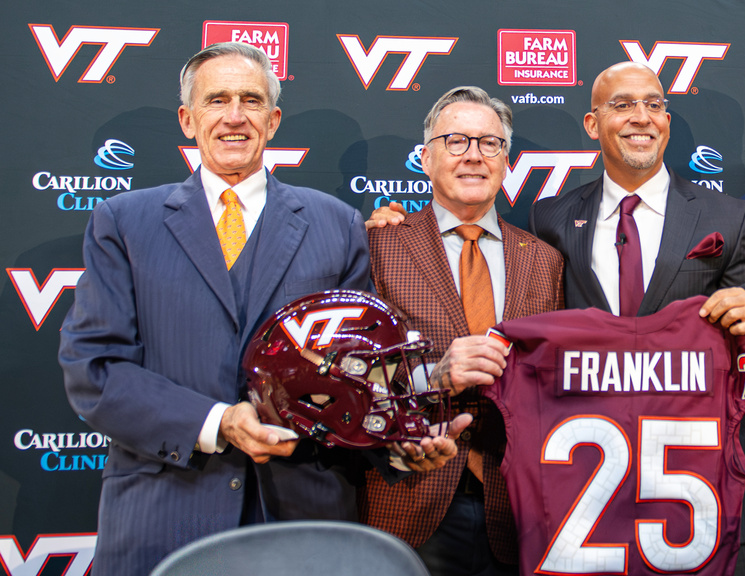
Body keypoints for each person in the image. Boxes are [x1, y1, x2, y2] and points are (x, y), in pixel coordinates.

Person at [58, 42, 464, 576]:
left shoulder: (336, 223)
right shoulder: (125, 221)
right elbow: (95, 370)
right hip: (166, 516)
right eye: (216, 100)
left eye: (250, 100)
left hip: (303, 520)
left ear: (272, 121)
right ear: (187, 119)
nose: (234, 117)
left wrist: (398, 444)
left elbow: (352, 375)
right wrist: (219, 421)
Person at [527, 61, 745, 576]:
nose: (641, 117)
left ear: (667, 120)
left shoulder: (726, 217)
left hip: (708, 488)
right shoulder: (549, 220)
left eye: (654, 104)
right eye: (622, 105)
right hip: (593, 497)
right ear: (591, 123)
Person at [360, 86, 564, 576]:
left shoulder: (544, 261)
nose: (474, 155)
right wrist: (432, 375)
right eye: (456, 142)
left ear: (506, 161)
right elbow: (346, 371)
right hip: (407, 498)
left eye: (489, 144)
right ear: (426, 159)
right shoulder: (377, 247)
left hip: (516, 510)